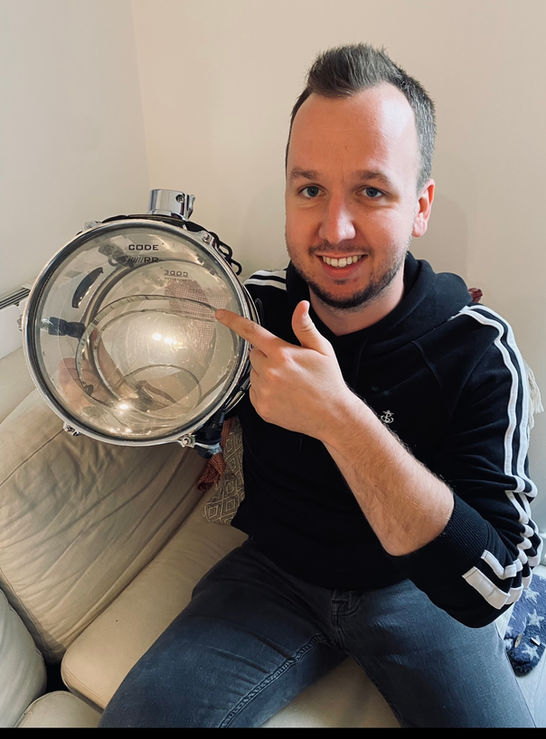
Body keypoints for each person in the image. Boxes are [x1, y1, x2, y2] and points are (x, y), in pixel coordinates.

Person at [99, 43, 542, 728]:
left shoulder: (480, 351)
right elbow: (182, 404)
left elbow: (496, 585)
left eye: (371, 191)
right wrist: (112, 371)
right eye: (310, 189)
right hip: (273, 579)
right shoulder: (250, 312)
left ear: (420, 206)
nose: (335, 229)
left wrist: (340, 418)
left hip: (416, 592)